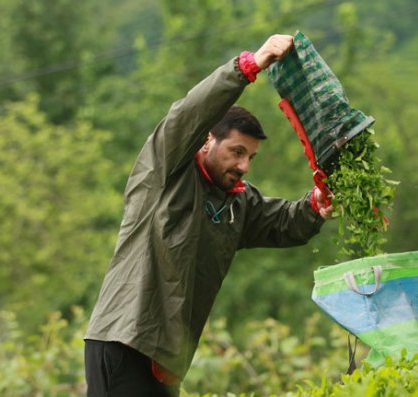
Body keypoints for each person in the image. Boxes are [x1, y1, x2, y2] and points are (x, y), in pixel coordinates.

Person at [84, 34, 333, 396]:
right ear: (206, 141)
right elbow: (187, 115)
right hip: (124, 340)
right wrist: (247, 67)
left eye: (250, 157)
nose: (244, 165)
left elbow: (284, 221)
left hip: (166, 357)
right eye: (236, 152)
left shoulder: (237, 203)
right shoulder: (166, 171)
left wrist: (317, 204)